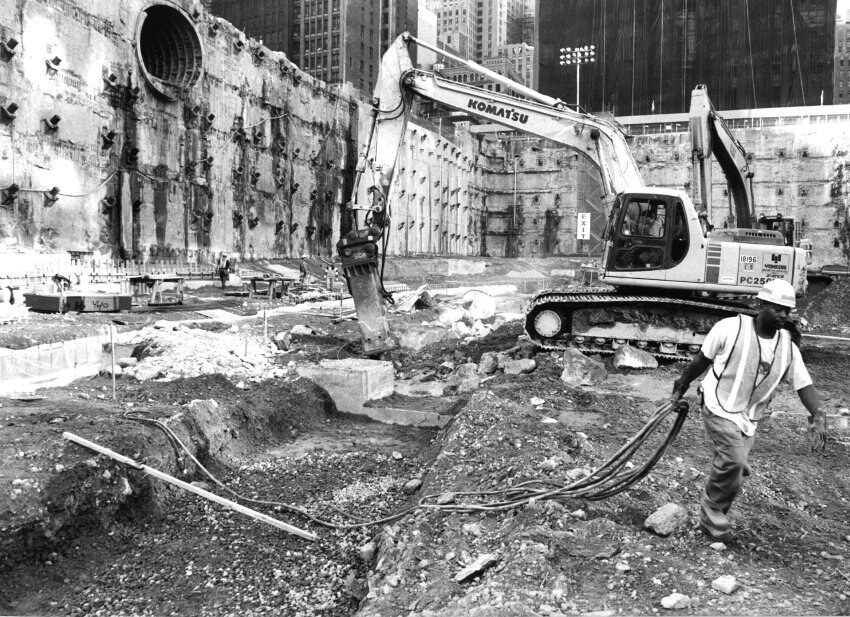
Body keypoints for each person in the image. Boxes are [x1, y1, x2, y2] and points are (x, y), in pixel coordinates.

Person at [669, 278, 827, 541]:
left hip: (749, 417)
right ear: (760, 305)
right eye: (777, 308)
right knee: (734, 461)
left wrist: (817, 413)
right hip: (718, 405)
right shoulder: (730, 328)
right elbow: (702, 360)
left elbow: (804, 385)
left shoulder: (787, 347)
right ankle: (711, 509)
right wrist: (681, 386)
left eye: (787, 310)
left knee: (736, 471)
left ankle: (712, 517)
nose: (783, 315)